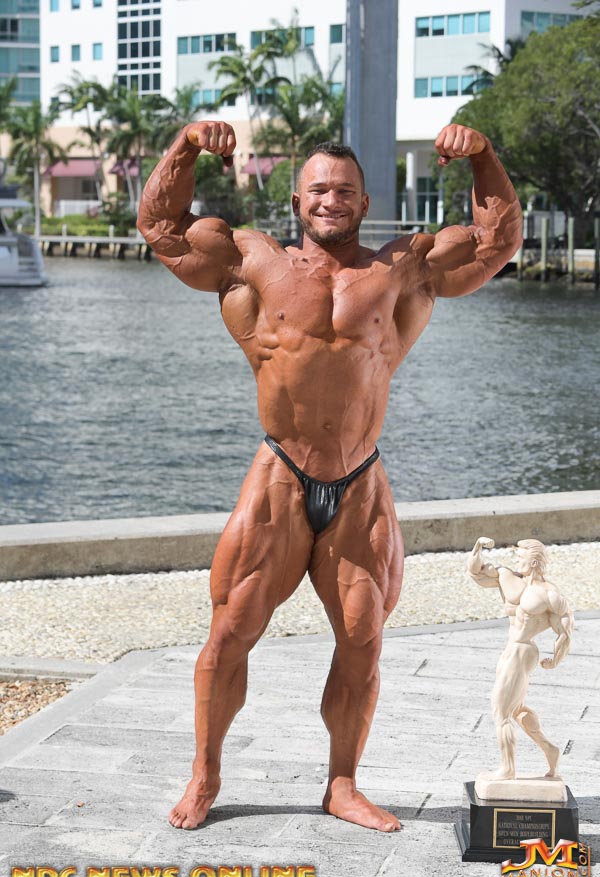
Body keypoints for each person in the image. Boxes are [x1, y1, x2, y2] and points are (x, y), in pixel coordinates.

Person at [137, 120, 522, 832]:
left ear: (364, 201)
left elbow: (496, 243)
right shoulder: (251, 259)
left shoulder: (402, 268)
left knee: (363, 640)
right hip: (280, 474)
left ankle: (342, 784)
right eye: (318, 189)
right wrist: (186, 146)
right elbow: (162, 228)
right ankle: (205, 774)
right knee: (230, 633)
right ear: (297, 200)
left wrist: (484, 157)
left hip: (359, 481)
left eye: (344, 190)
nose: (331, 200)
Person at [467, 537, 574, 781]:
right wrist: (478, 547)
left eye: (521, 557)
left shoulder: (548, 593)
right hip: (511, 648)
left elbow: (565, 627)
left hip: (523, 650)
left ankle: (508, 769)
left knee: (501, 710)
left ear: (534, 561)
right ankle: (549, 749)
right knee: (515, 709)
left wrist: (556, 658)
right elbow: (476, 573)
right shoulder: (510, 578)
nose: (516, 561)